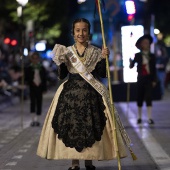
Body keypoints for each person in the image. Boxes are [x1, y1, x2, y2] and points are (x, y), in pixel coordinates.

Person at [37, 18, 133, 170]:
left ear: (88, 32)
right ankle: (74, 163)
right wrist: (61, 61)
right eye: (77, 30)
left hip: (92, 95)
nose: (81, 33)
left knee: (92, 125)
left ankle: (89, 162)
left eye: (84, 30)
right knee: (71, 127)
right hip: (69, 97)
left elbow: (102, 74)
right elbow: (62, 75)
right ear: (73, 33)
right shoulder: (67, 51)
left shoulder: (95, 51)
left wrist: (104, 58)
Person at [130, 34, 157, 125]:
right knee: (140, 97)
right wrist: (131, 62)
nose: (146, 44)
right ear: (141, 45)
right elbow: (131, 66)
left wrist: (154, 80)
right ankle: (139, 117)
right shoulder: (138, 55)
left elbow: (154, 69)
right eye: (144, 43)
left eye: (147, 43)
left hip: (149, 79)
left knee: (149, 97)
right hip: (141, 78)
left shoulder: (152, 56)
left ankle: (149, 117)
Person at [25, 52, 47, 127]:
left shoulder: (42, 68)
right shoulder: (29, 68)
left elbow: (44, 79)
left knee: (39, 102)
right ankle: (32, 119)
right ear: (31, 59)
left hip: (40, 87)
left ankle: (38, 119)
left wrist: (44, 88)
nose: (35, 60)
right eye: (33, 58)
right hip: (32, 87)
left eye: (36, 58)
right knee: (32, 103)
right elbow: (26, 78)